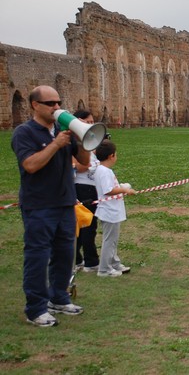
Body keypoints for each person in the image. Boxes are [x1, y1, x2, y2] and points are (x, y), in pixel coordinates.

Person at [11, 85, 89, 327]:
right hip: (39, 206)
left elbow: (84, 164)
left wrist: (82, 138)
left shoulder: (63, 130)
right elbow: (30, 165)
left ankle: (59, 297)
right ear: (35, 105)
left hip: (65, 203)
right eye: (51, 103)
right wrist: (56, 144)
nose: (57, 107)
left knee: (65, 256)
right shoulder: (25, 132)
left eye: (58, 102)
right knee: (38, 256)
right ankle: (35, 308)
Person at [94, 139, 136, 277]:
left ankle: (114, 263)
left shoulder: (103, 170)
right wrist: (125, 190)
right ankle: (104, 269)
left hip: (111, 211)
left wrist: (122, 187)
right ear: (111, 156)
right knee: (109, 241)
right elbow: (108, 190)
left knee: (113, 240)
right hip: (109, 212)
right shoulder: (104, 171)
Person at [73, 110, 101, 272]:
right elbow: (79, 167)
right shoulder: (73, 143)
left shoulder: (88, 144)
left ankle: (79, 259)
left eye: (92, 122)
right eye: (88, 122)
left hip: (91, 188)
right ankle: (90, 261)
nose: (91, 125)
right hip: (82, 189)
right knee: (86, 225)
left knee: (88, 225)